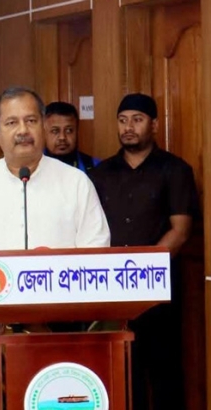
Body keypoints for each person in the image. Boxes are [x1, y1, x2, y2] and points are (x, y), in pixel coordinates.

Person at [0, 87, 110, 410]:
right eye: (11, 123)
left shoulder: (76, 183)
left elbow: (97, 247)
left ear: (43, 126)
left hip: (64, 327)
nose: (22, 130)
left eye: (31, 120)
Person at [89, 93, 199, 410]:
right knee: (122, 370)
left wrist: (142, 271)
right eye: (123, 120)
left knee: (164, 371)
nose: (128, 127)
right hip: (111, 290)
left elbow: (180, 230)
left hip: (159, 289)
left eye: (137, 120)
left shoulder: (175, 170)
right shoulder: (100, 175)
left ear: (154, 124)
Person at [44, 101, 101, 173]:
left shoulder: (96, 167)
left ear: (77, 131)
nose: (62, 137)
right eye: (55, 131)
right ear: (43, 133)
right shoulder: (33, 167)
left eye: (69, 130)